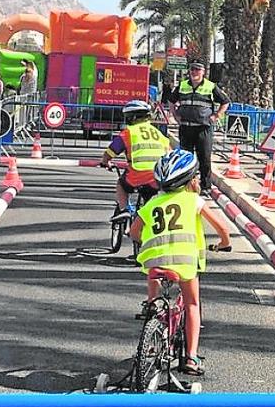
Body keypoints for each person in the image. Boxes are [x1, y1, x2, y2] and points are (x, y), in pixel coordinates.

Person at [130, 148, 232, 377]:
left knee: (154, 290)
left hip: (154, 260)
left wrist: (149, 240)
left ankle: (152, 307)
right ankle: (192, 357)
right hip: (185, 262)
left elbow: (133, 232)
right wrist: (223, 244)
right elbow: (223, 229)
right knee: (192, 304)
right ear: (190, 179)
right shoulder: (194, 200)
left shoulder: (151, 204)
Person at [99, 99, 173, 215]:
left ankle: (125, 210)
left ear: (132, 118)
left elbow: (110, 152)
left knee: (121, 185)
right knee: (151, 201)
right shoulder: (159, 134)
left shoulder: (129, 132)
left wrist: (104, 162)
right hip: (158, 178)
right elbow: (170, 154)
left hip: (137, 175)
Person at [168, 59, 229, 193]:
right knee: (185, 157)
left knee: (204, 158)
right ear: (189, 71)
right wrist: (175, 115)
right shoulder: (182, 85)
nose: (194, 72)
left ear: (203, 72)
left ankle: (206, 186)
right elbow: (171, 101)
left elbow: (225, 102)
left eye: (197, 70)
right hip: (186, 128)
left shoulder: (211, 86)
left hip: (203, 128)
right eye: (192, 69)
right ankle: (185, 184)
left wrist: (216, 115)